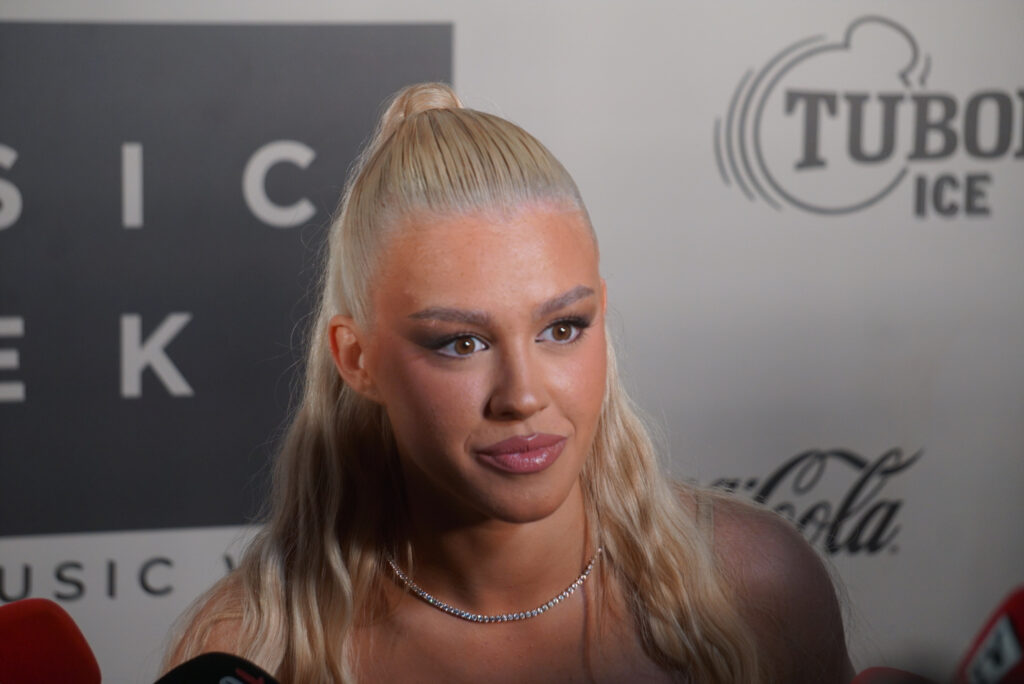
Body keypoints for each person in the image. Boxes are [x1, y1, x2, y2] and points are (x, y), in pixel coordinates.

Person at [163, 82, 855, 683]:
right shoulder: (250, 651)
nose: (522, 396)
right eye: (461, 343)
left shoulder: (757, 588)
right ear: (357, 359)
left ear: (601, 314)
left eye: (563, 328)